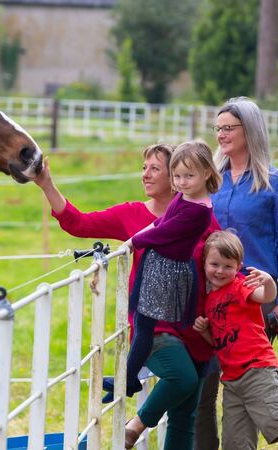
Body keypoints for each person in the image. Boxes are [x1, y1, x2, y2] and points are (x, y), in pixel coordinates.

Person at [34, 143, 219, 449]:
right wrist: (47, 184)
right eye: (144, 167)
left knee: (185, 415)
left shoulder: (199, 214)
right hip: (157, 324)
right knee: (182, 379)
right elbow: (78, 223)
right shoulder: (130, 214)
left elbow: (222, 261)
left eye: (155, 169)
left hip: (195, 324)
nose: (146, 175)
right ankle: (136, 424)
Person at [195, 96, 278, 449]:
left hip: (256, 302)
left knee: (252, 389)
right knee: (208, 387)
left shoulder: (277, 183)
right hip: (213, 299)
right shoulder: (213, 181)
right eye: (218, 128)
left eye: (229, 128)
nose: (222, 134)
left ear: (249, 131)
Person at [193, 230, 278, 450]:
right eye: (215, 264)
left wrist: (268, 282)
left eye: (228, 266)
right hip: (231, 380)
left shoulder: (240, 287)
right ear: (204, 263)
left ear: (238, 267)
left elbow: (265, 296)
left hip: (256, 370)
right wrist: (204, 332)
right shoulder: (209, 301)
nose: (220, 271)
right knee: (235, 442)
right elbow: (219, 343)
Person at [121, 141, 220, 401]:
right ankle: (130, 377)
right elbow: (160, 221)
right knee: (142, 324)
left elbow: (165, 232)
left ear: (207, 173)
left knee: (144, 325)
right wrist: (137, 238)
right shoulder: (183, 196)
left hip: (167, 272)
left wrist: (134, 242)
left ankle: (128, 379)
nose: (183, 182)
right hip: (157, 265)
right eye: (177, 176)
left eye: (189, 176)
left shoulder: (200, 211)